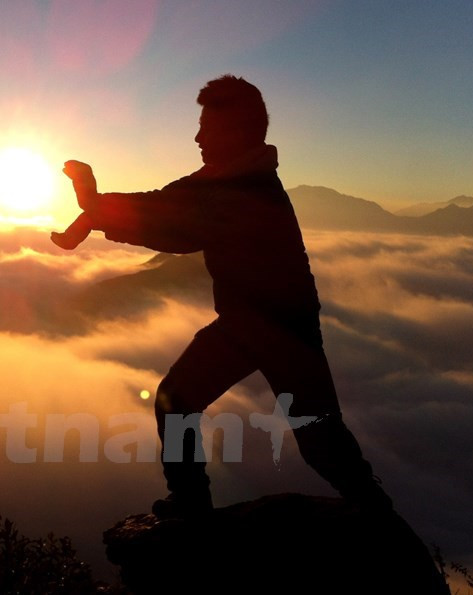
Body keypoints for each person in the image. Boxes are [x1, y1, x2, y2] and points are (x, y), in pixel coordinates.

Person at [57, 74, 392, 520]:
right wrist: (93, 211)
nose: (197, 137)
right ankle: (195, 502)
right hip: (252, 323)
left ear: (235, 133)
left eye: (207, 128)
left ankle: (377, 522)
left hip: (281, 329)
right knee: (187, 402)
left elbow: (176, 226)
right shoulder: (226, 179)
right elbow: (165, 204)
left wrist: (93, 207)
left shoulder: (244, 191)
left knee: (315, 437)